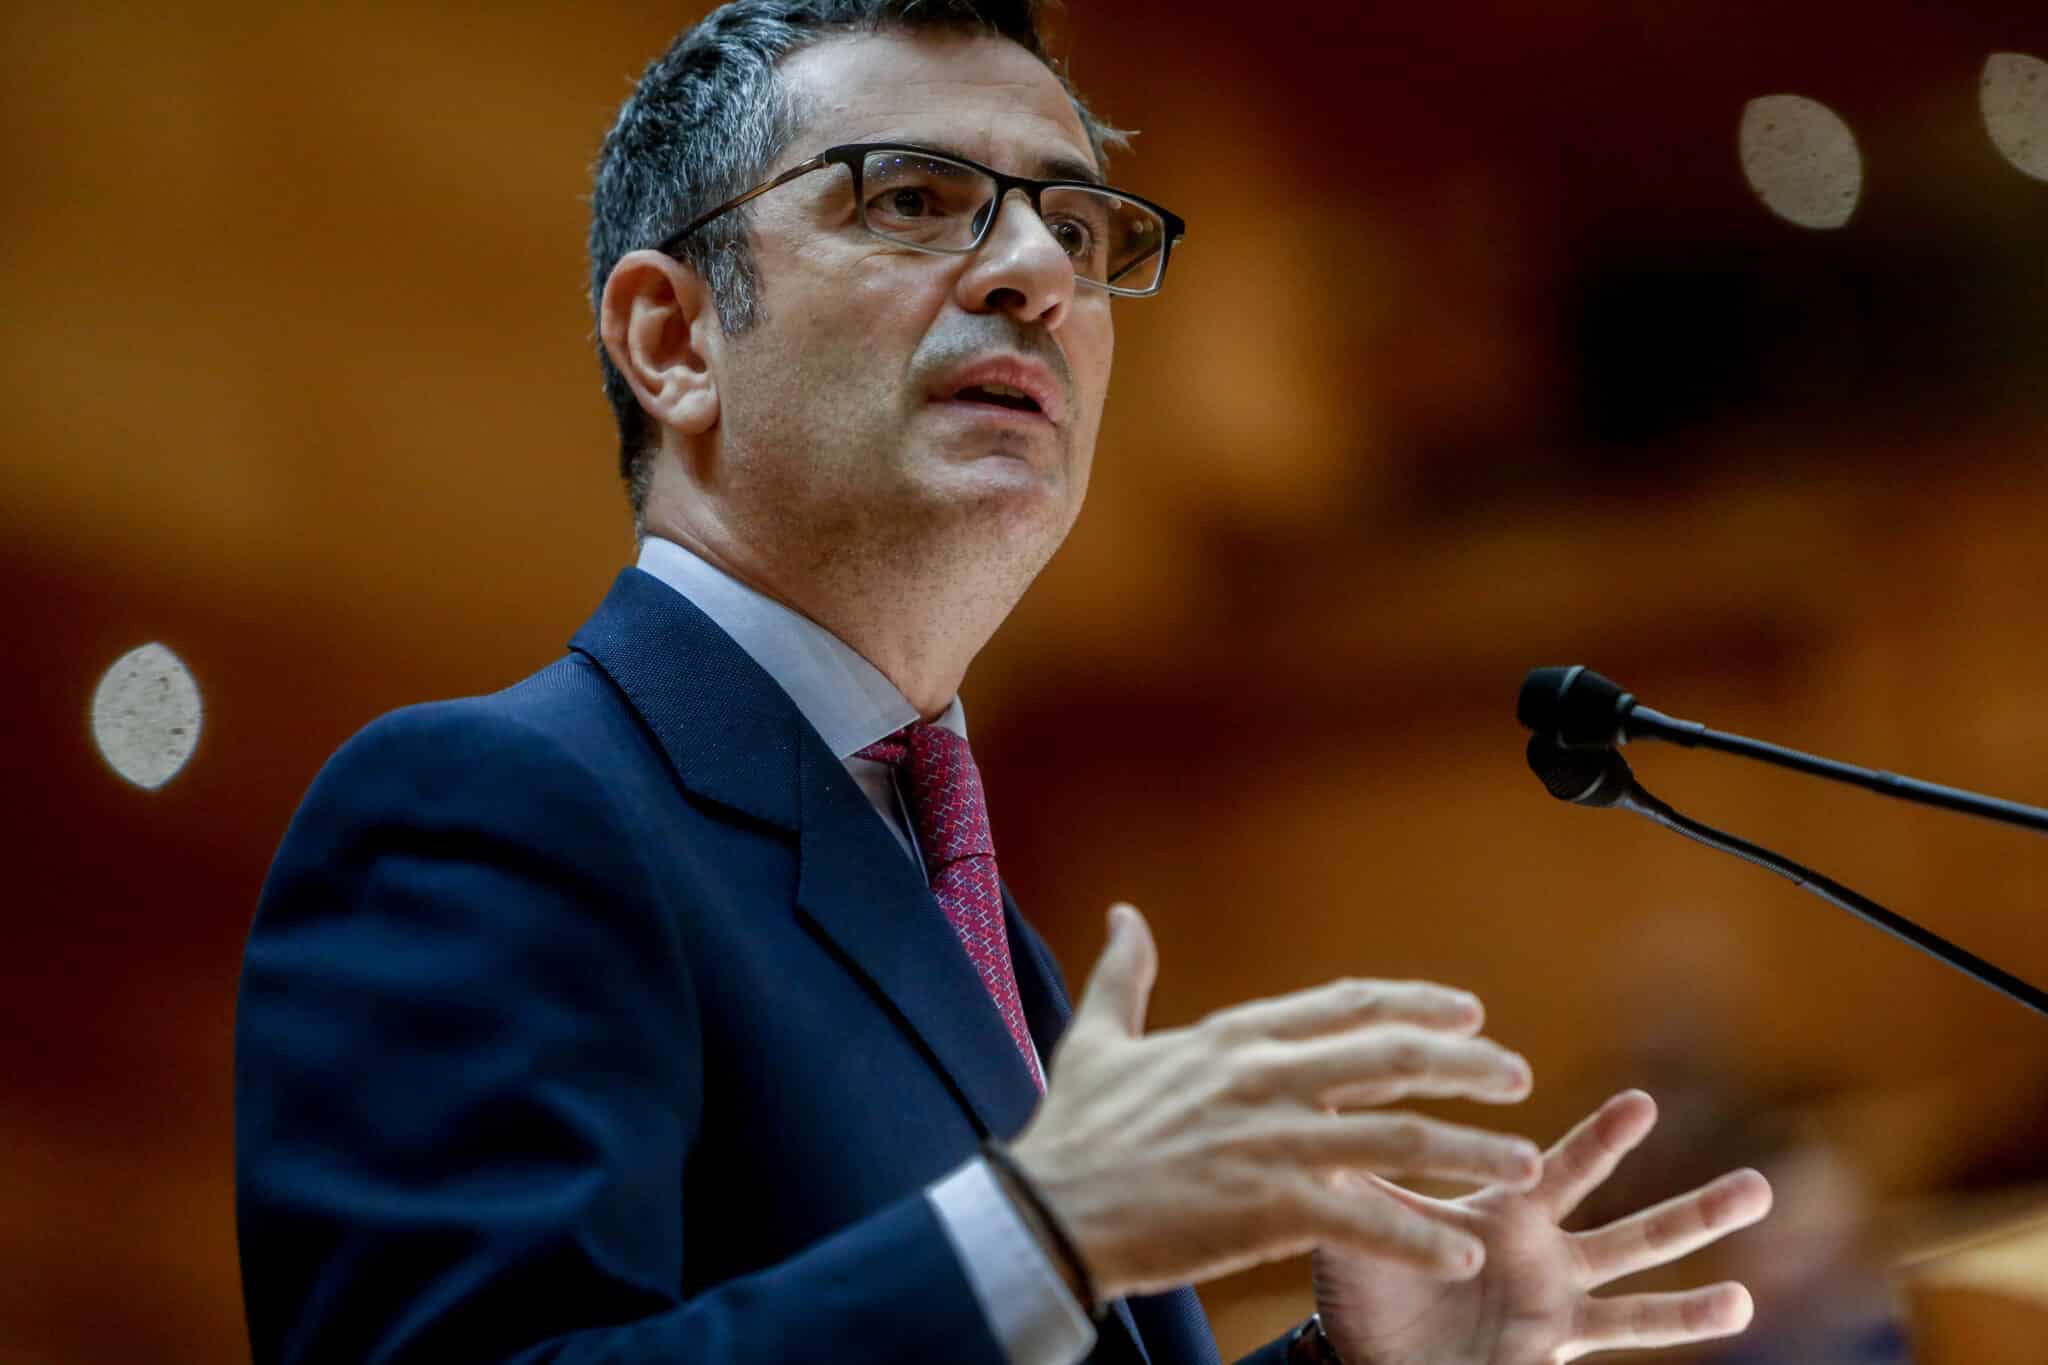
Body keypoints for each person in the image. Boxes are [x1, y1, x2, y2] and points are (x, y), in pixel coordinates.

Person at [233, 3, 1774, 1362]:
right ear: (675, 335)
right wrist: (1035, 1232)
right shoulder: (487, 812)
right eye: (916, 200)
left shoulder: (957, 897)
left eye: (1083, 231)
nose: (1039, 268)